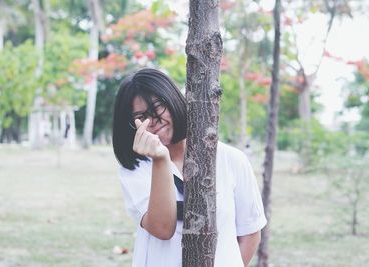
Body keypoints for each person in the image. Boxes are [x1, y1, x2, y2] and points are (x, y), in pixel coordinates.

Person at [112, 68, 267, 267]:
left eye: (158, 106)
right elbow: (163, 227)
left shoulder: (231, 159)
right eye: (142, 116)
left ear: (173, 99)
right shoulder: (136, 170)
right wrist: (161, 159)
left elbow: (250, 232)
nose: (154, 121)